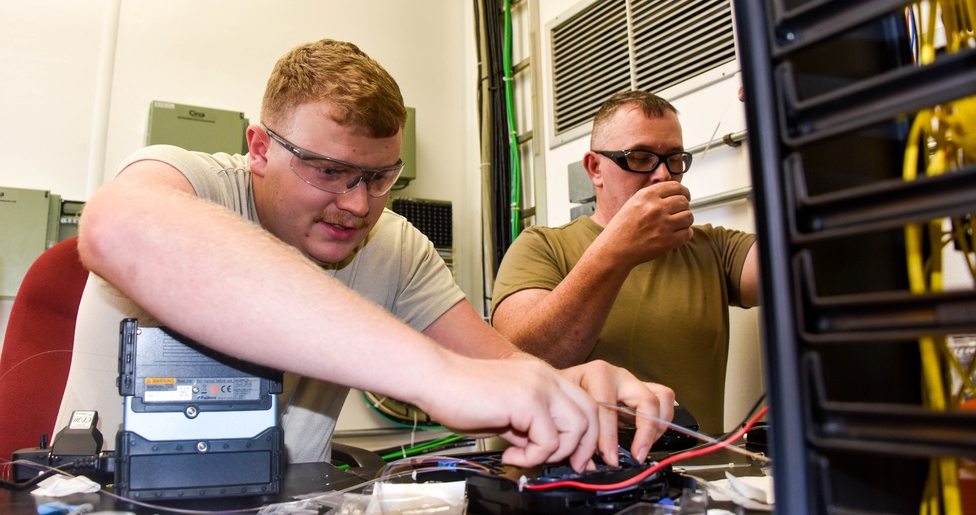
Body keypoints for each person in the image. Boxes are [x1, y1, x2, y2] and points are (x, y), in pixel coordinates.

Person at [54, 40, 674, 474]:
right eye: (329, 171)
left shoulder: (395, 245)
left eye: (380, 177)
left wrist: (569, 387)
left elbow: (495, 367)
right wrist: (438, 377)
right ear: (260, 148)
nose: (357, 204)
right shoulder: (196, 181)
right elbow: (116, 230)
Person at [491, 89, 758, 436]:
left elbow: (810, 268)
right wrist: (617, 249)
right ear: (595, 168)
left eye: (674, 158)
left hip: (695, 478)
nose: (663, 175)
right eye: (641, 157)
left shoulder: (714, 248)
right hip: (575, 480)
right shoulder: (542, 246)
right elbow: (521, 364)